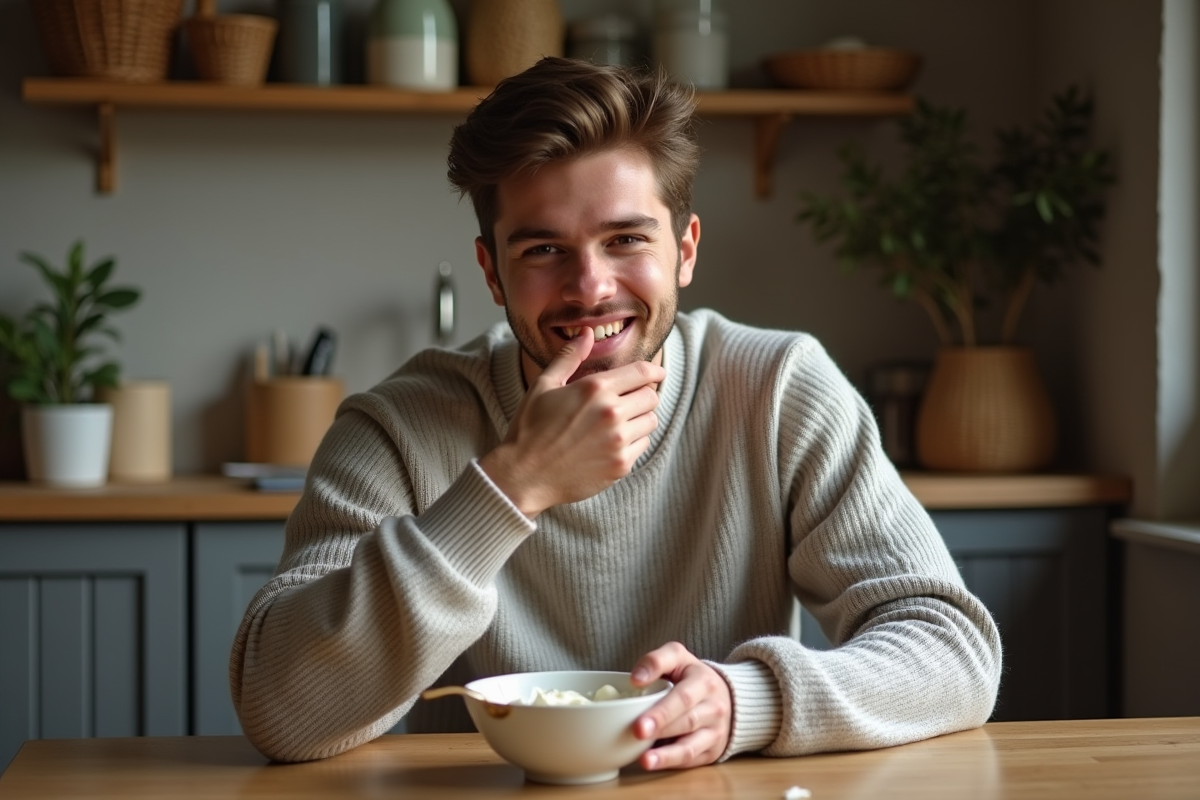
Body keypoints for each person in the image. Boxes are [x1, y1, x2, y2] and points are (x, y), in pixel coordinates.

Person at [230, 56, 1002, 769]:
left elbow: (955, 651)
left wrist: (746, 701)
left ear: (686, 250)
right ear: (492, 274)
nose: (589, 288)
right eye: (542, 251)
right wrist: (508, 489)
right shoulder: (396, 426)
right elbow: (280, 711)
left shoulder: (777, 388)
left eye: (626, 238)